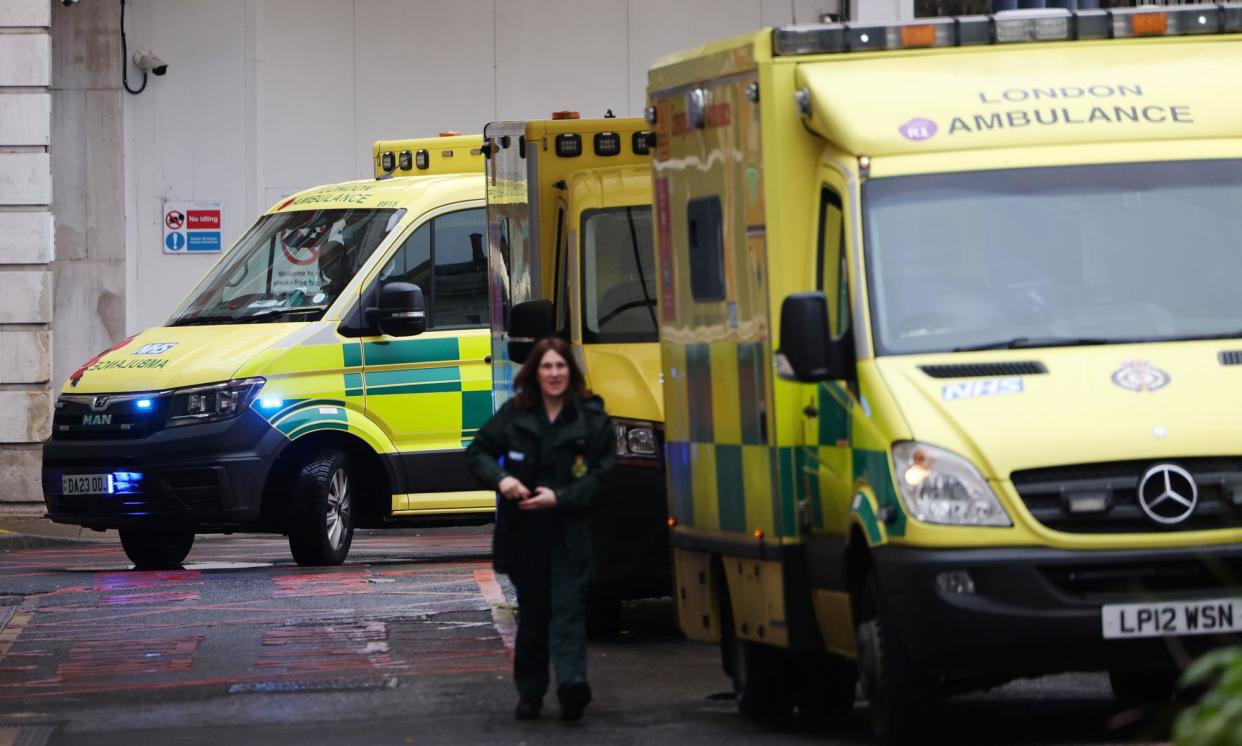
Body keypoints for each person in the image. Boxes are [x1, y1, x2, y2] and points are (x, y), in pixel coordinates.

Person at [466, 336, 616, 722]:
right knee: (533, 618)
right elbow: (478, 452)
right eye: (547, 367)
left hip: (571, 535)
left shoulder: (591, 418)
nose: (554, 374)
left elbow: (603, 477)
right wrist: (502, 481)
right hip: (526, 537)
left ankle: (572, 686)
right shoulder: (516, 415)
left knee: (568, 612)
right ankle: (530, 694)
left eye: (561, 366)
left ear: (571, 372)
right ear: (535, 372)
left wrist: (560, 497)